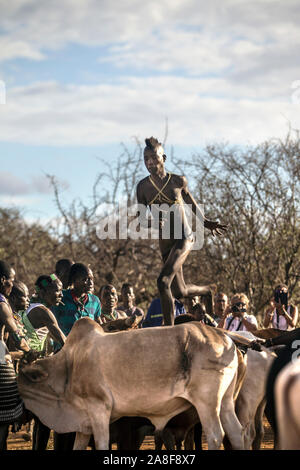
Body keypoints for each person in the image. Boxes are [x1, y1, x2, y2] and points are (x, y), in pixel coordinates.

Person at [136, 137, 227, 326]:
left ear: (164, 157)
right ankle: (207, 291)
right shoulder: (143, 188)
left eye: (154, 158)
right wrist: (154, 223)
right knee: (180, 292)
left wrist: (205, 222)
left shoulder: (177, 181)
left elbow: (190, 201)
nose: (150, 162)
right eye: (146, 159)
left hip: (184, 237)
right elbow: (143, 220)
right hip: (165, 243)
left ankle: (168, 329)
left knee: (163, 281)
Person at [0, 261, 34, 451]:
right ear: (2, 280)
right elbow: (16, 335)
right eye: (11, 280)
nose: (12, 286)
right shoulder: (2, 304)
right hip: (0, 361)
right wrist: (29, 352)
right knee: (2, 421)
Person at [53, 263, 102, 338]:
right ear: (74, 280)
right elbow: (52, 325)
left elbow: (99, 326)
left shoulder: (95, 301)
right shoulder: (61, 297)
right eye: (85, 279)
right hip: (64, 346)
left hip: (88, 347)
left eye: (91, 279)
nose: (91, 283)